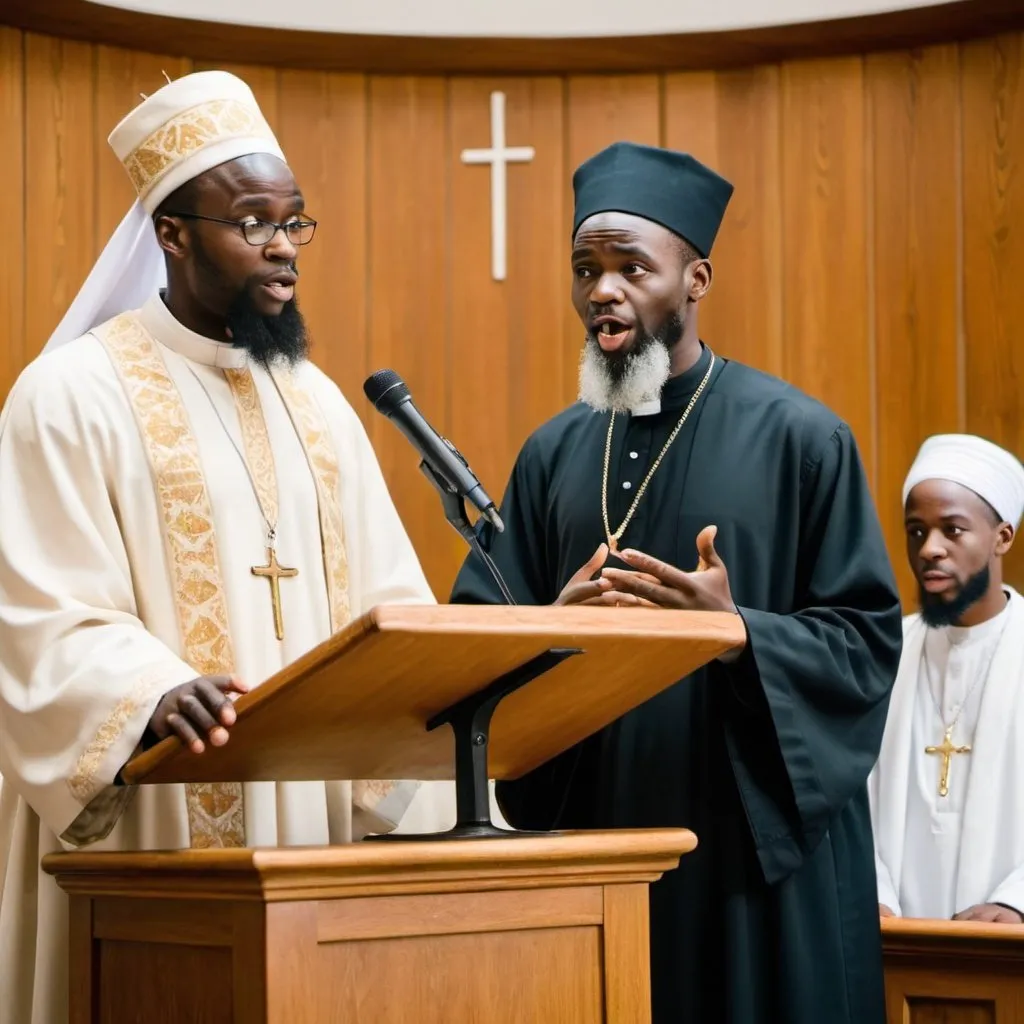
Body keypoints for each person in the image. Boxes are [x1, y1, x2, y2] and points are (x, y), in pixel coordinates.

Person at [0, 70, 451, 1024]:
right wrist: (148, 691)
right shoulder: (69, 394)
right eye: (252, 222)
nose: (284, 248)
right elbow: (38, 613)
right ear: (171, 233)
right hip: (154, 822)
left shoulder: (320, 405)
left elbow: (391, 605)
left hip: (309, 821)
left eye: (295, 222)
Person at [450, 141, 904, 1023]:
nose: (601, 291)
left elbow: (866, 643)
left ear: (695, 279)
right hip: (602, 838)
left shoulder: (802, 438)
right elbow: (476, 636)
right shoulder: (552, 455)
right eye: (586, 269)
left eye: (630, 268)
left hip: (751, 857)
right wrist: (550, 627)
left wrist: (740, 634)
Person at [869, 434, 1024, 924]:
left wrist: (1015, 901)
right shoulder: (884, 653)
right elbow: (847, 795)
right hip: (891, 939)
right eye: (917, 532)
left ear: (1003, 537)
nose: (930, 549)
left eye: (953, 531)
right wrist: (870, 892)